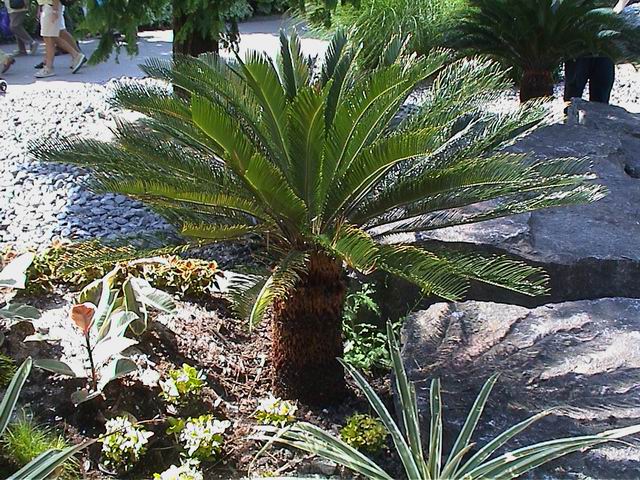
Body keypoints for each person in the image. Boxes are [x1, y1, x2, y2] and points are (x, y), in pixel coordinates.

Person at [563, 1, 631, 104]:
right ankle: (569, 113)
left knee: (602, 91)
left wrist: (616, 11)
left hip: (605, 45)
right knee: (573, 92)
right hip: (578, 43)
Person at [34, 0, 86, 78]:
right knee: (58, 33)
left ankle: (49, 68)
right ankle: (77, 56)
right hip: (50, 6)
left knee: (49, 37)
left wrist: (55, 11)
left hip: (51, 7)